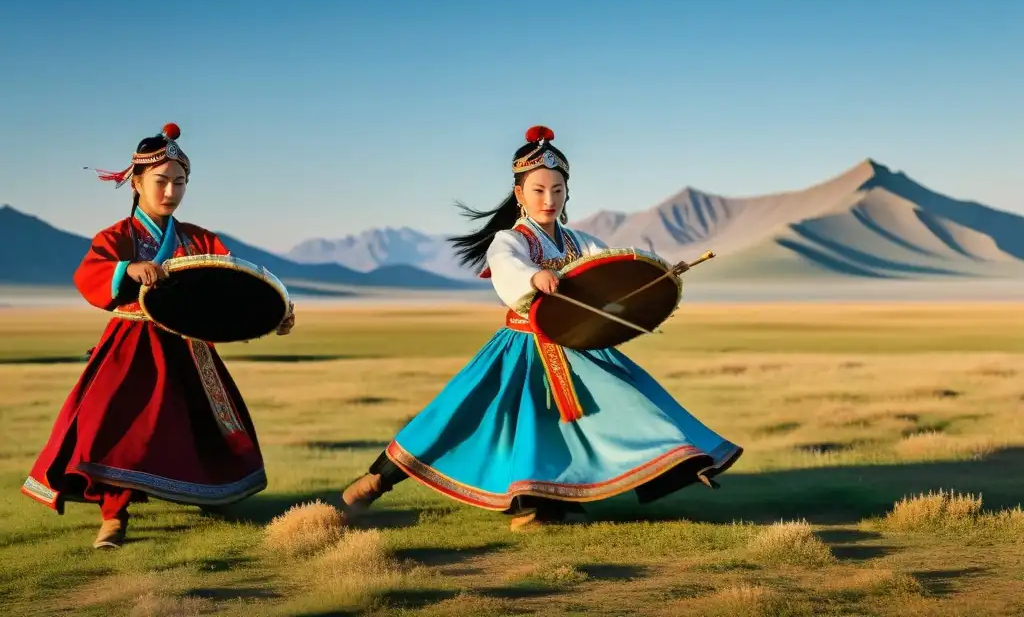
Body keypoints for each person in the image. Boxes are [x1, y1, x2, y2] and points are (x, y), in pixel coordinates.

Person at [340, 125, 741, 530]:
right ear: (519, 194)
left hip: (578, 343)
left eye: (557, 190)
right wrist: (534, 278)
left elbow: (609, 270)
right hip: (522, 346)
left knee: (630, 399)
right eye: (538, 190)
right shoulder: (509, 240)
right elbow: (508, 267)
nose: (548, 199)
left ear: (568, 193)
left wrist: (648, 284)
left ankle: (673, 462)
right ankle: (375, 482)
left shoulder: (580, 242)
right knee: (458, 417)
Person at [21, 123, 295, 549]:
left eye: (179, 183)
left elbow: (232, 285)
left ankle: (216, 495)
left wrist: (272, 314)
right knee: (108, 424)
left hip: (190, 349)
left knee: (201, 429)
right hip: (131, 346)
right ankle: (113, 515)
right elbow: (89, 272)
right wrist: (128, 269)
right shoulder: (118, 237)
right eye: (160, 182)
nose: (170, 192)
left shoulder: (198, 239)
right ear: (136, 182)